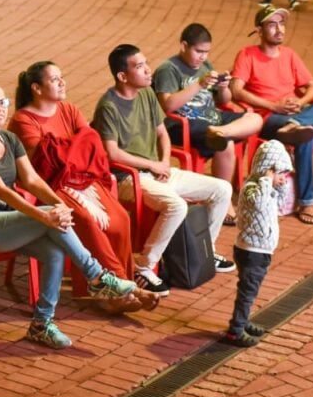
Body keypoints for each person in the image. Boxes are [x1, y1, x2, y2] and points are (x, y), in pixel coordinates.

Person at [0, 83, 140, 349]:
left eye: (3, 102)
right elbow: (2, 190)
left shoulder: (9, 140)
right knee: (50, 218)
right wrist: (46, 215)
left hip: (8, 221)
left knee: (55, 252)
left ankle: (42, 324)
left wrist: (61, 204)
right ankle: (96, 276)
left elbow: (32, 180)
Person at [8, 62, 158, 313]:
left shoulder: (69, 110)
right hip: (51, 186)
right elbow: (45, 162)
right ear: (36, 88)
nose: (62, 82)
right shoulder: (23, 120)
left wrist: (65, 147)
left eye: (61, 77)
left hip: (82, 178)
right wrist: (75, 145)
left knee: (120, 219)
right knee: (87, 221)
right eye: (55, 79)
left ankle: (117, 286)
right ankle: (120, 291)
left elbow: (91, 143)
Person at [93, 44, 236, 297]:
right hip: (128, 178)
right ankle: (144, 266)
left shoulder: (146, 94)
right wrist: (152, 165)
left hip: (156, 172)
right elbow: (112, 153)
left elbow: (162, 133)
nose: (149, 70)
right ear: (122, 76)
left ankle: (206, 251)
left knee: (222, 189)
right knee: (177, 206)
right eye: (139, 66)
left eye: (146, 62)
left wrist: (165, 161)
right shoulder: (109, 106)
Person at [229, 5, 313, 226]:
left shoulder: (290, 55)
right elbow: (236, 89)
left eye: (281, 24)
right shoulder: (247, 55)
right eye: (272, 24)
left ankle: (298, 123)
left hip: (295, 113)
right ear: (259, 30)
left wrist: (300, 102)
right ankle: (307, 201)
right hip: (269, 118)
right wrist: (273, 106)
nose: (279, 30)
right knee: (306, 134)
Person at [152, 23, 263, 224]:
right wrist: (199, 84)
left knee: (254, 118)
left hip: (213, 121)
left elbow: (223, 101)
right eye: (199, 51)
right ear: (184, 46)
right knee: (226, 144)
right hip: (183, 124)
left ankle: (220, 131)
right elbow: (168, 105)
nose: (203, 57)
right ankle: (224, 200)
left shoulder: (205, 65)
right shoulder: (168, 69)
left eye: (206, 52)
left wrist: (223, 87)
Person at [225, 139, 292, 347]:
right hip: (250, 250)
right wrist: (266, 180)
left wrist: (279, 187)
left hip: (262, 250)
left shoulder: (268, 189)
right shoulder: (252, 188)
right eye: (280, 173)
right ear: (268, 170)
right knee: (247, 290)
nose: (283, 178)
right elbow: (258, 204)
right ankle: (235, 330)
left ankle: (243, 320)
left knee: (251, 290)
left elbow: (279, 205)